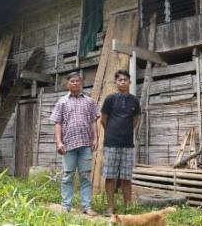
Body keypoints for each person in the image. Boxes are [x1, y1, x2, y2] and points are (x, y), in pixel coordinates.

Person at [50, 72, 98, 216]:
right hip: (68, 145)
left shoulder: (89, 101)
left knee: (85, 176)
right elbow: (58, 123)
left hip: (85, 144)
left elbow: (94, 121)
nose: (75, 83)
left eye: (77, 81)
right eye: (72, 81)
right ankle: (66, 206)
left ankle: (86, 207)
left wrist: (96, 139)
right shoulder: (62, 102)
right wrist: (58, 142)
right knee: (67, 176)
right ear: (67, 84)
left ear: (81, 83)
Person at [100, 69, 141, 216]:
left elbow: (135, 120)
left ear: (129, 82)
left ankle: (128, 207)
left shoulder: (134, 100)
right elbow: (104, 120)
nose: (123, 82)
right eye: (120, 80)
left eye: (125, 79)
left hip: (128, 144)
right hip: (111, 143)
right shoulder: (110, 99)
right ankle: (110, 207)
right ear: (116, 82)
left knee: (126, 177)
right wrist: (112, 132)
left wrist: (127, 132)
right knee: (110, 176)